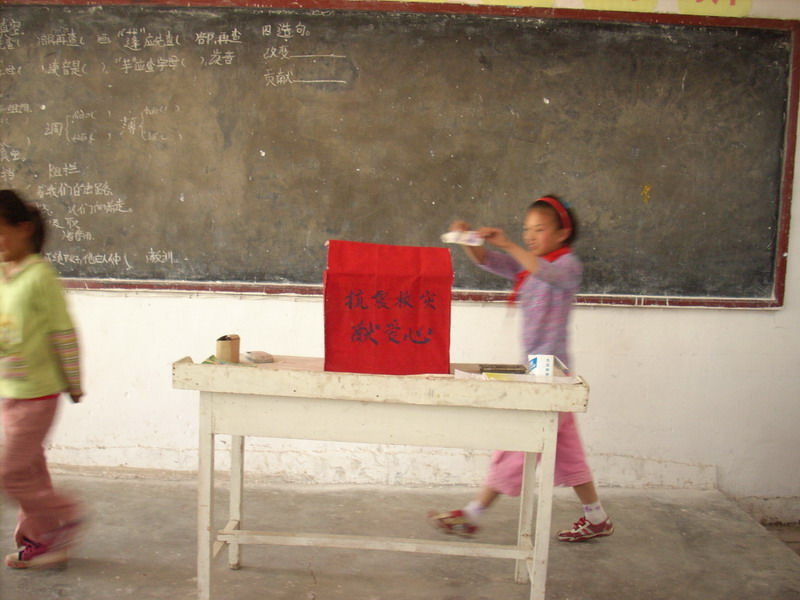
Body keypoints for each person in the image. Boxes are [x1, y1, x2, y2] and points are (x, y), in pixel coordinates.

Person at [429, 196, 613, 543]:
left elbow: (546, 272)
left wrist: (510, 244)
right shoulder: (526, 266)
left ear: (562, 233)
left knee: (516, 439)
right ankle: (597, 518)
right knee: (568, 451)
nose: (529, 236)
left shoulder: (568, 265)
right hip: (538, 370)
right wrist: (469, 240)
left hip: (553, 375)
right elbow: (486, 260)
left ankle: (473, 513)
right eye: (526, 230)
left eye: (539, 229)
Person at [0, 189, 84, 568]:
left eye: (1, 233)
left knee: (10, 474)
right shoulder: (6, 275)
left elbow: (63, 333)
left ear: (24, 229)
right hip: (11, 392)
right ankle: (44, 543)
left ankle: (70, 513)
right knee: (30, 471)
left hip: (38, 395)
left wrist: (73, 381)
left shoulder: (40, 276)